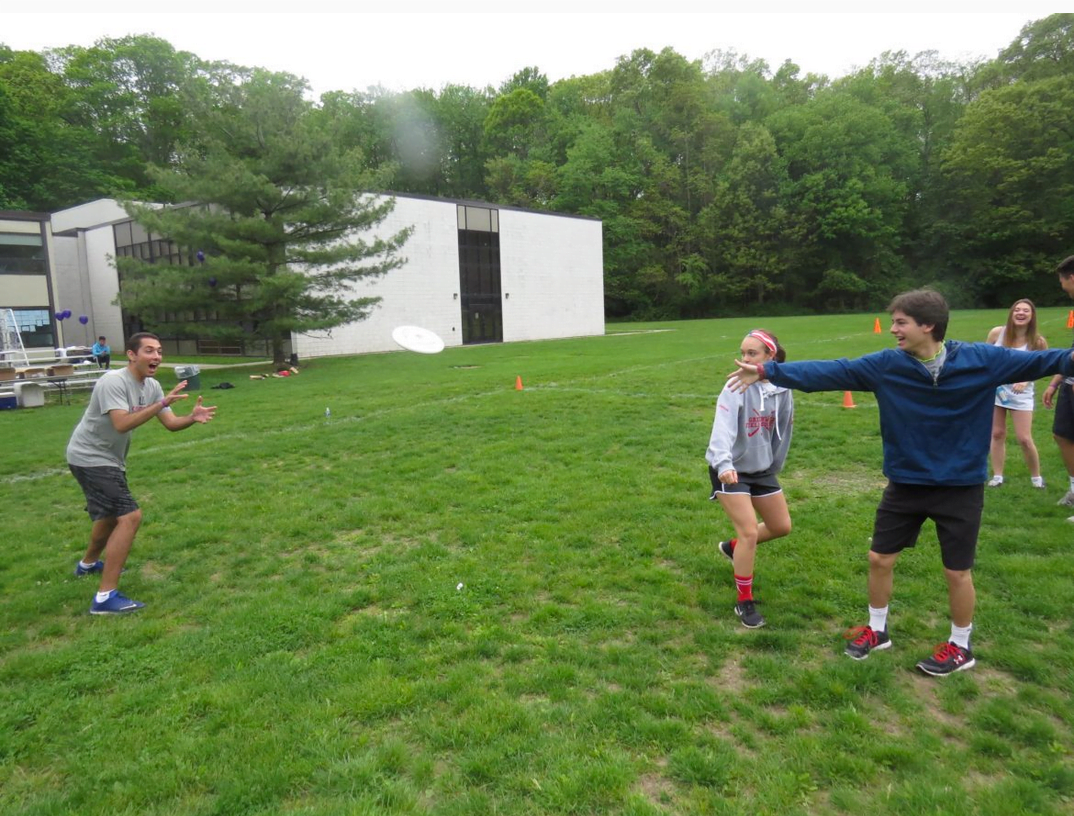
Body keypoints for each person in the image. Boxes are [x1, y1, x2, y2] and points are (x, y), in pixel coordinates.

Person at [726, 289, 1074, 676]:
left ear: (928, 325)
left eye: (900, 322)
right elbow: (831, 371)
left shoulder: (981, 360)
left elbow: (1050, 359)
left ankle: (961, 644)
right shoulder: (887, 365)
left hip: (959, 486)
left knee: (957, 571)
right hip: (906, 482)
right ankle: (877, 630)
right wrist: (768, 370)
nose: (892, 329)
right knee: (879, 558)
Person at [67, 332, 216, 615]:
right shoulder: (113, 381)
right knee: (130, 516)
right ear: (132, 354)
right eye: (149, 351)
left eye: (159, 351)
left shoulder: (152, 386)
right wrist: (160, 404)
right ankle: (105, 598)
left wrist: (191, 418)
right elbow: (121, 424)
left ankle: (87, 565)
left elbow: (170, 423)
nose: (157, 357)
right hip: (90, 457)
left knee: (110, 515)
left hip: (108, 459)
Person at [706, 329, 794, 629]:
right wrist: (723, 464)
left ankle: (732, 549)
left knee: (781, 526)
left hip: (762, 468)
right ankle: (744, 601)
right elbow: (722, 429)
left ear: (770, 357)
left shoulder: (783, 388)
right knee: (749, 533)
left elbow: (783, 431)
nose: (745, 359)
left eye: (752, 354)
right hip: (730, 468)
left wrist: (773, 465)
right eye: (743, 352)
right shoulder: (735, 385)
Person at [986, 299, 1047, 489]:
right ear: (1011, 314)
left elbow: (1043, 367)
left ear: (1032, 316)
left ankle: (1036, 478)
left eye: (1025, 311)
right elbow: (985, 356)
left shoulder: (1037, 341)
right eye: (1017, 310)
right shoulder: (997, 333)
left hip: (1021, 395)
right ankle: (997, 476)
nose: (1020, 313)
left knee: (1024, 438)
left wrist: (1025, 381)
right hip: (996, 391)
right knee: (997, 433)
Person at [1044, 255, 1074, 516]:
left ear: (1071, 278)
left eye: (1062, 281)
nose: (1062, 288)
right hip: (1069, 381)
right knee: (1062, 434)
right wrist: (1055, 381)